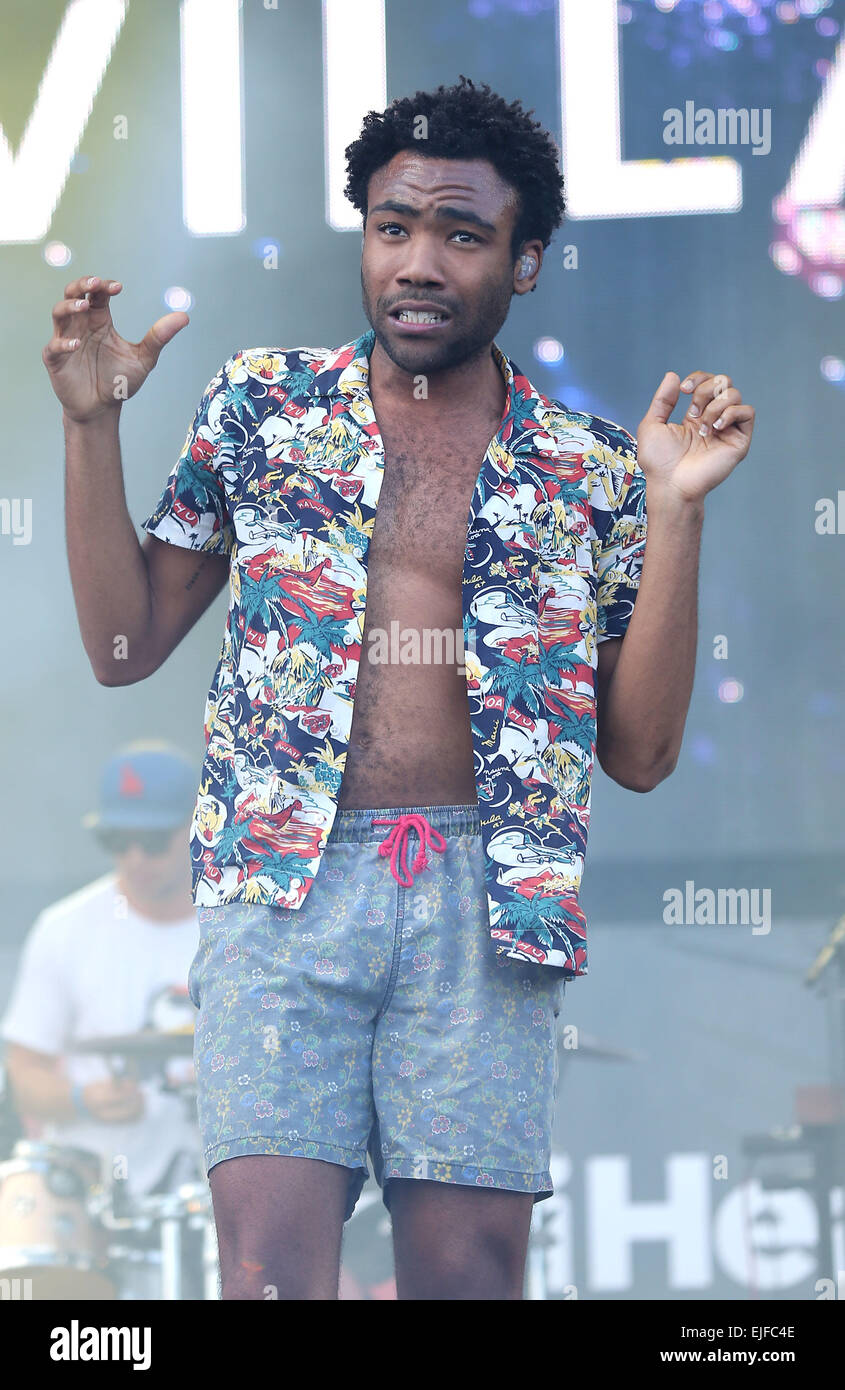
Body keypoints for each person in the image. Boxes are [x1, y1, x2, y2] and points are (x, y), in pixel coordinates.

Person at [42, 77, 755, 1300]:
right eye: (392, 226)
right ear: (364, 235)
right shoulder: (262, 407)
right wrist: (90, 430)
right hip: (281, 880)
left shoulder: (591, 470)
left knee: (469, 1279)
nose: (418, 261)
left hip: (488, 897)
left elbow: (637, 754)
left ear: (523, 262)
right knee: (264, 1276)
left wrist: (675, 512)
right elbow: (121, 647)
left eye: (460, 234)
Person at [1, 743, 203, 1200]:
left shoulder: (238, 929)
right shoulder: (64, 928)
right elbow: (23, 1075)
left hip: (215, 1200)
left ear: (197, 824)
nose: (134, 858)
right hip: (91, 1202)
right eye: (116, 841)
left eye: (152, 842)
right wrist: (81, 1100)